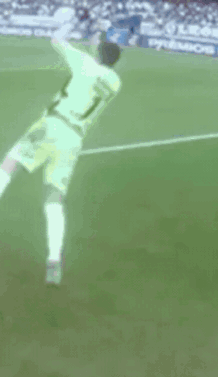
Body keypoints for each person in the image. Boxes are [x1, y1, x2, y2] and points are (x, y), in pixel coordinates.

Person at [0, 11, 121, 285]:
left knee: (10, 163)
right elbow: (99, 55)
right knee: (54, 198)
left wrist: (75, 21)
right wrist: (97, 31)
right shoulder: (114, 82)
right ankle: (53, 262)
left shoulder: (85, 65)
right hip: (73, 140)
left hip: (52, 125)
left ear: (98, 53)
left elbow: (56, 39)